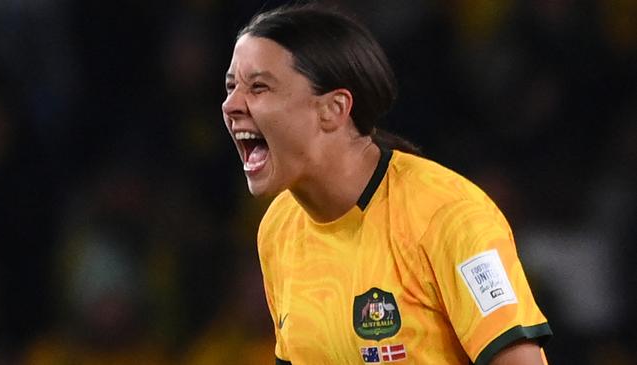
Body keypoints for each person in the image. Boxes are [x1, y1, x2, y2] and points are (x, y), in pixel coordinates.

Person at [221, 3, 552, 364]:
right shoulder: (278, 229)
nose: (231, 104)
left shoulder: (446, 215)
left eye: (258, 87)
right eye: (231, 86)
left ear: (333, 109)